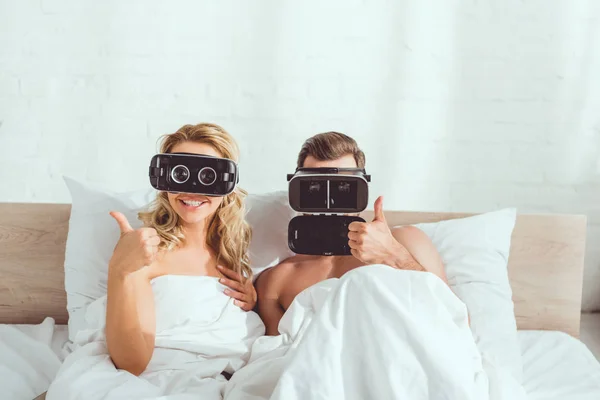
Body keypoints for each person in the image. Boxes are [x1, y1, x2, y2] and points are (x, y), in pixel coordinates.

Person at [46, 123, 264, 399]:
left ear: (228, 183)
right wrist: (121, 270)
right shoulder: (144, 251)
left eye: (207, 175)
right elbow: (131, 363)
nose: (193, 189)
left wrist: (253, 302)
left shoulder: (234, 257)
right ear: (163, 180)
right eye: (181, 174)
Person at [255, 131, 447, 335]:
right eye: (315, 187)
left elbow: (452, 321)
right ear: (297, 190)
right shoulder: (276, 281)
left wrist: (394, 256)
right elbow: (275, 357)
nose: (329, 201)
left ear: (362, 189)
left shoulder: (406, 242)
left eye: (343, 187)